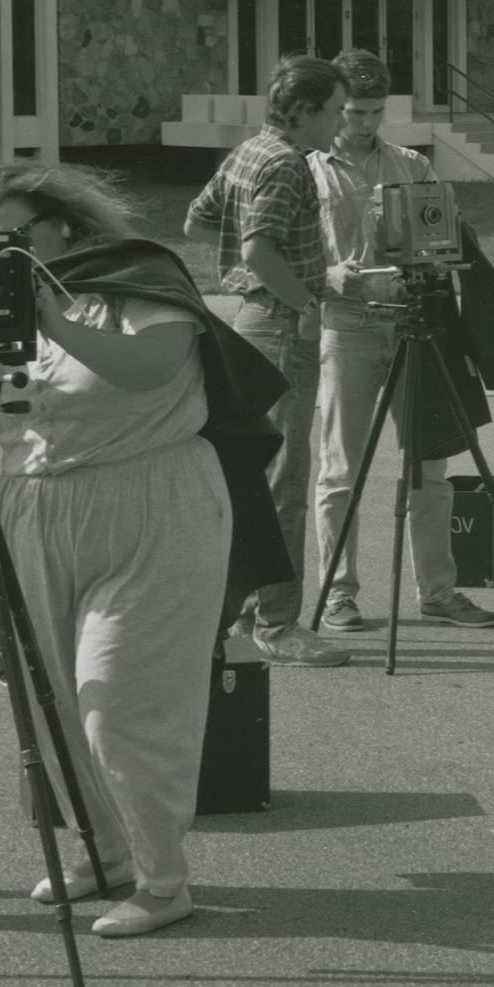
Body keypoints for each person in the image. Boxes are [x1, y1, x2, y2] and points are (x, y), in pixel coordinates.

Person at [0, 163, 230, 938]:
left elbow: (150, 371)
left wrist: (58, 321)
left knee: (119, 700)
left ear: (66, 230)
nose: (4, 253)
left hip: (154, 503)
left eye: (18, 235)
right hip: (37, 506)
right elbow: (12, 411)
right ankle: (105, 851)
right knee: (51, 701)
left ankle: (163, 877)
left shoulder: (139, 279)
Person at [309, 53, 494, 633]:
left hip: (412, 322)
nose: (362, 123)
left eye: (372, 112)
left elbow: (444, 238)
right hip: (348, 325)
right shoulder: (308, 166)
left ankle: (438, 590)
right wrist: (325, 274)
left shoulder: (411, 164)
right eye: (352, 112)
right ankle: (338, 593)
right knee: (341, 468)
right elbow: (285, 247)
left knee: (429, 466)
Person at [184, 55, 353, 668]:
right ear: (304, 110)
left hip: (251, 322)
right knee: (285, 481)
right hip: (280, 326)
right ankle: (279, 624)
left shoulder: (251, 151)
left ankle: (244, 611)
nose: (341, 123)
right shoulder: (285, 163)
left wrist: (248, 263)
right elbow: (256, 248)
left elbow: (199, 223)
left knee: (255, 476)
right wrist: (303, 299)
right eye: (334, 111)